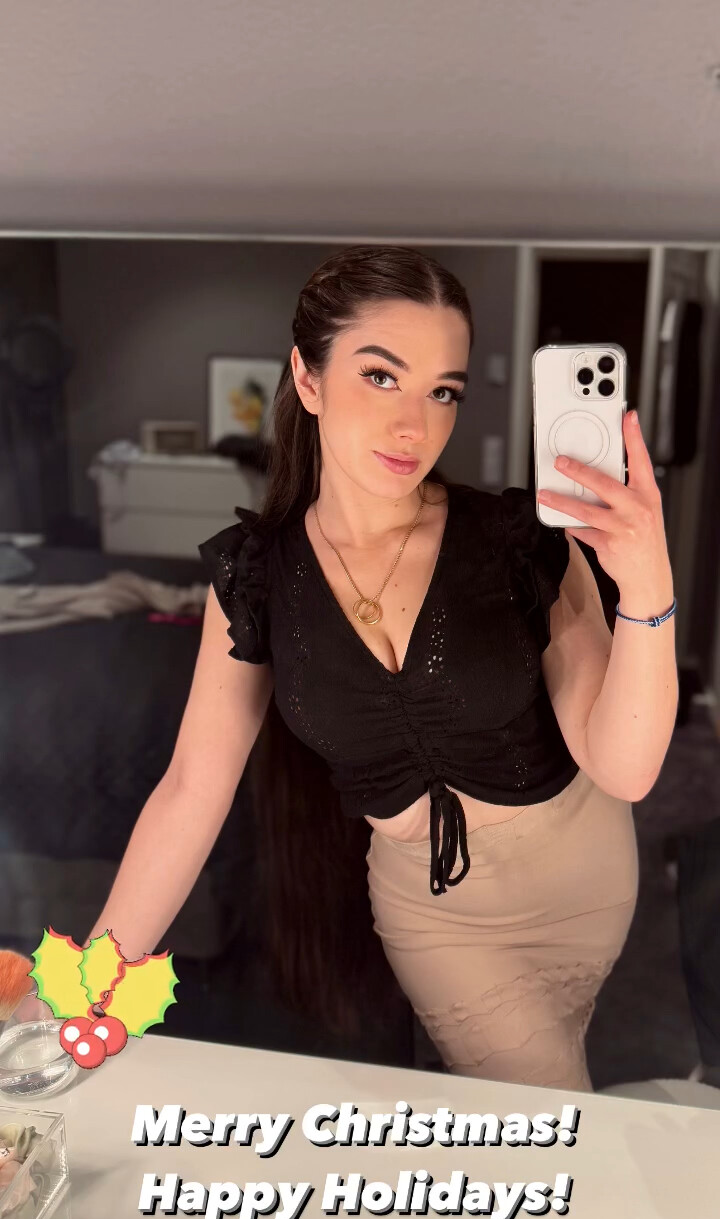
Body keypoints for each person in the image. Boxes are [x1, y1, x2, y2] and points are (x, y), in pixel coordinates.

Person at [83, 244, 679, 1092]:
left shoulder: (517, 542)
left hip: (582, 878)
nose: (415, 426)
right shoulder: (255, 576)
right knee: (551, 1118)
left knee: (545, 1105)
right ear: (309, 378)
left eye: (444, 392)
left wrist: (648, 586)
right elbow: (190, 791)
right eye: (380, 376)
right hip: (437, 919)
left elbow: (626, 767)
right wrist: (88, 992)